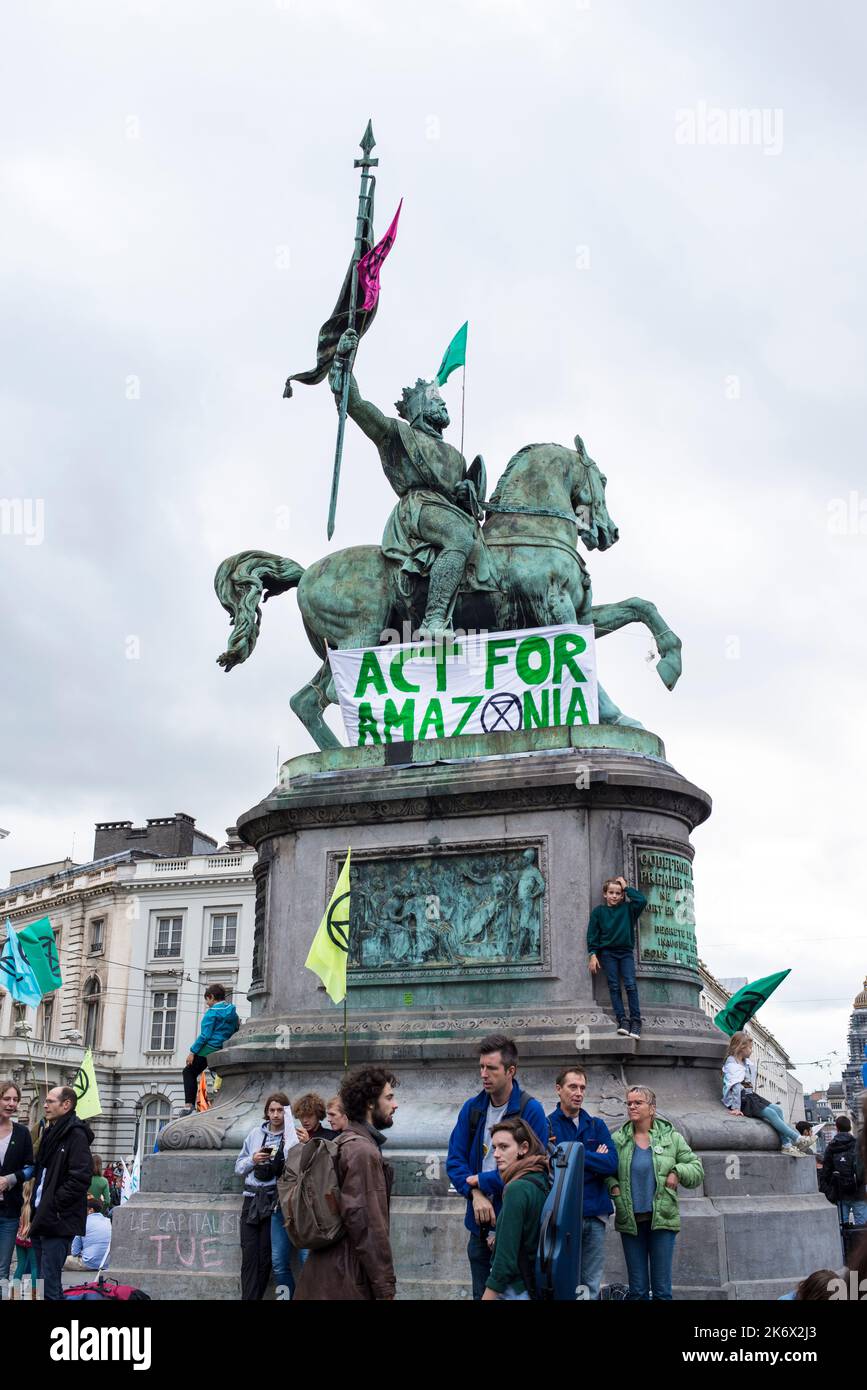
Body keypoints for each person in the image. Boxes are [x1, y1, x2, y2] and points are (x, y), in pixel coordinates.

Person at [328, 327, 495, 638]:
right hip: (418, 510)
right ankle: (434, 622)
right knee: (460, 537)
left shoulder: (455, 455)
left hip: (448, 511)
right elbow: (359, 406)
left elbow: (462, 498)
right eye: (435, 400)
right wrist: (342, 362)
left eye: (443, 401)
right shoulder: (397, 434)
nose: (443, 405)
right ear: (419, 408)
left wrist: (466, 491)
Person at [446, 1034, 549, 1298]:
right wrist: (475, 1193)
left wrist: (481, 1180)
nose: (483, 1074)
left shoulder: (531, 1109)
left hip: (515, 1229)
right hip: (478, 1228)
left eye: (491, 1068)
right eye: (481, 1066)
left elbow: (534, 1167)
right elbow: (455, 1161)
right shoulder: (472, 1108)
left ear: (510, 1071)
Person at [295, 1066, 398, 1301]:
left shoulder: (345, 1142)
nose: (395, 1104)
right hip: (346, 1280)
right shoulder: (362, 1151)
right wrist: (385, 1290)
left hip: (324, 1274)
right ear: (370, 1103)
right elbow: (368, 1226)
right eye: (389, 1097)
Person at [607, 1085, 704, 1301]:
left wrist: (678, 1171)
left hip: (662, 1220)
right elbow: (607, 1172)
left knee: (661, 1291)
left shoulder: (672, 1138)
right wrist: (614, 1188)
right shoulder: (618, 1140)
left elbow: (697, 1169)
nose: (632, 1106)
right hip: (630, 1221)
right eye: (629, 1103)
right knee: (638, 1290)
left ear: (652, 1108)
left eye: (638, 1103)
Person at [547, 1066, 618, 1299]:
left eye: (582, 1088)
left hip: (595, 1214)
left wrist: (576, 1154)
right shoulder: (547, 1126)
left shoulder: (596, 1125)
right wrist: (592, 1153)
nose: (578, 1093)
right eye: (572, 1087)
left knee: (591, 1282)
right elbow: (554, 1167)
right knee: (563, 1278)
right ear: (559, 1089)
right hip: (564, 1214)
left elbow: (611, 1164)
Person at [29, 1085, 94, 1300]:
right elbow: (42, 1171)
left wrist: (55, 1204)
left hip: (57, 1219)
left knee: (50, 1283)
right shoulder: (51, 1131)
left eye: (50, 1101)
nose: (45, 1105)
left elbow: (80, 1178)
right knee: (41, 1279)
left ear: (66, 1105)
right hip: (42, 1215)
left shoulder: (76, 1135)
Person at [234, 1091, 299, 1300]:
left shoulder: (291, 1138)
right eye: (272, 1110)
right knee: (249, 1256)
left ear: (286, 1113)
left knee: (266, 1258)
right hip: (251, 1199)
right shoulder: (255, 1134)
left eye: (280, 1110)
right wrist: (253, 1159)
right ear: (266, 1112)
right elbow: (239, 1167)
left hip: (274, 1201)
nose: (276, 1114)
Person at [481, 1117, 550, 1300]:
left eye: (503, 1147)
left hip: (515, 1289)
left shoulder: (516, 1189)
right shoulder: (540, 1178)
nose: (496, 1154)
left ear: (523, 1148)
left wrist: (488, 1295)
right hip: (533, 1284)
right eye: (494, 1147)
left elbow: (504, 1261)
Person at [722, 1032, 813, 1156]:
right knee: (771, 1113)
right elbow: (736, 1087)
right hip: (743, 1100)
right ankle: (797, 1139)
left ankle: (786, 1145)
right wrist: (737, 1108)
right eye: (750, 1048)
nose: (751, 1051)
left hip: (750, 1095)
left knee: (778, 1110)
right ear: (741, 1047)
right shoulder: (732, 1064)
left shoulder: (745, 1063)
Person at [586, 875, 646, 1037]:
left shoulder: (628, 909)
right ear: (605, 894)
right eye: (611, 892)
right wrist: (593, 954)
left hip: (625, 953)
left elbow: (641, 901)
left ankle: (636, 1021)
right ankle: (623, 1020)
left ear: (622, 895)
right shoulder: (599, 912)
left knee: (630, 985)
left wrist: (626, 887)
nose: (614, 896)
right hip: (607, 954)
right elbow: (593, 934)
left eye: (618, 893)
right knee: (614, 986)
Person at [181, 984, 240, 1116]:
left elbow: (205, 1035)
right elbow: (236, 1029)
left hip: (210, 1048)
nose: (207, 1004)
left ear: (212, 997)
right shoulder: (233, 1013)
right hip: (224, 1047)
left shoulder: (212, 1013)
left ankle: (188, 1105)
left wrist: (192, 1052)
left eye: (207, 1000)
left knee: (188, 1071)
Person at [0, 1079, 34, 1280]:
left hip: (9, 1212)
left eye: (15, 1099)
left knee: (2, 1270)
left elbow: (30, 1168)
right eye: (6, 1099)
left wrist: (10, 1179)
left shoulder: (22, 1133)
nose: (11, 1104)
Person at [819, 1115, 866, 1226]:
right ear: (850, 1127)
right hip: (858, 1192)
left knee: (841, 1227)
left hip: (839, 1192)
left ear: (837, 1128)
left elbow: (826, 1171)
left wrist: (828, 1190)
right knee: (862, 1227)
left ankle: (845, 1243)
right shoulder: (857, 1145)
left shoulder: (831, 1147)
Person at [67, 1194, 112, 1271]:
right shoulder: (108, 1222)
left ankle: (41, 1281)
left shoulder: (83, 1223)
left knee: (64, 1261)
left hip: (89, 1263)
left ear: (91, 1210)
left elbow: (74, 1252)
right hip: (107, 1263)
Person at [13, 1179, 38, 1286]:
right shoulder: (35, 1207)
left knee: (20, 1265)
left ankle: (14, 1293)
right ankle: (34, 1294)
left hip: (20, 1238)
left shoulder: (22, 1205)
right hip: (32, 1240)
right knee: (35, 1266)